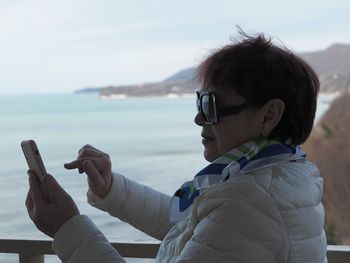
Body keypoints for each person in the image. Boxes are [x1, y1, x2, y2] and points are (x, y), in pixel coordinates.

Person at [25, 31, 327, 263]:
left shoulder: (251, 200)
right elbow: (181, 222)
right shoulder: (276, 174)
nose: (198, 118)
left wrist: (67, 230)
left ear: (269, 114)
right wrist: (111, 189)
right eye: (200, 101)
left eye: (210, 105)